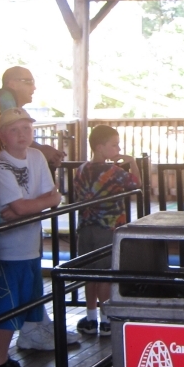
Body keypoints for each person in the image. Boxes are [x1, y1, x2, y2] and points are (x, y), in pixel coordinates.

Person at [0, 109, 62, 367]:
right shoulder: (0, 165)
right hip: (8, 249)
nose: (22, 134)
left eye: (26, 128)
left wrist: (27, 208)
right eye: (14, 129)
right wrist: (32, 205)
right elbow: (23, 205)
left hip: (30, 244)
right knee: (10, 305)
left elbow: (53, 197)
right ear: (1, 136)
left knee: (23, 302)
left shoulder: (35, 156)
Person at [73, 125, 141, 336]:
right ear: (100, 147)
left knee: (90, 274)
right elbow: (137, 184)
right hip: (107, 227)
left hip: (85, 227)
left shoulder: (82, 169)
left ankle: (91, 318)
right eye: (114, 145)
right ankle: (105, 320)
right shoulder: (115, 172)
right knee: (104, 273)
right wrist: (133, 163)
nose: (117, 148)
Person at [0, 66, 66, 167]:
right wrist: (40, 149)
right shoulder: (5, 97)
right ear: (12, 84)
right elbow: (11, 135)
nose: (34, 87)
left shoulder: (5, 99)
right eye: (29, 82)